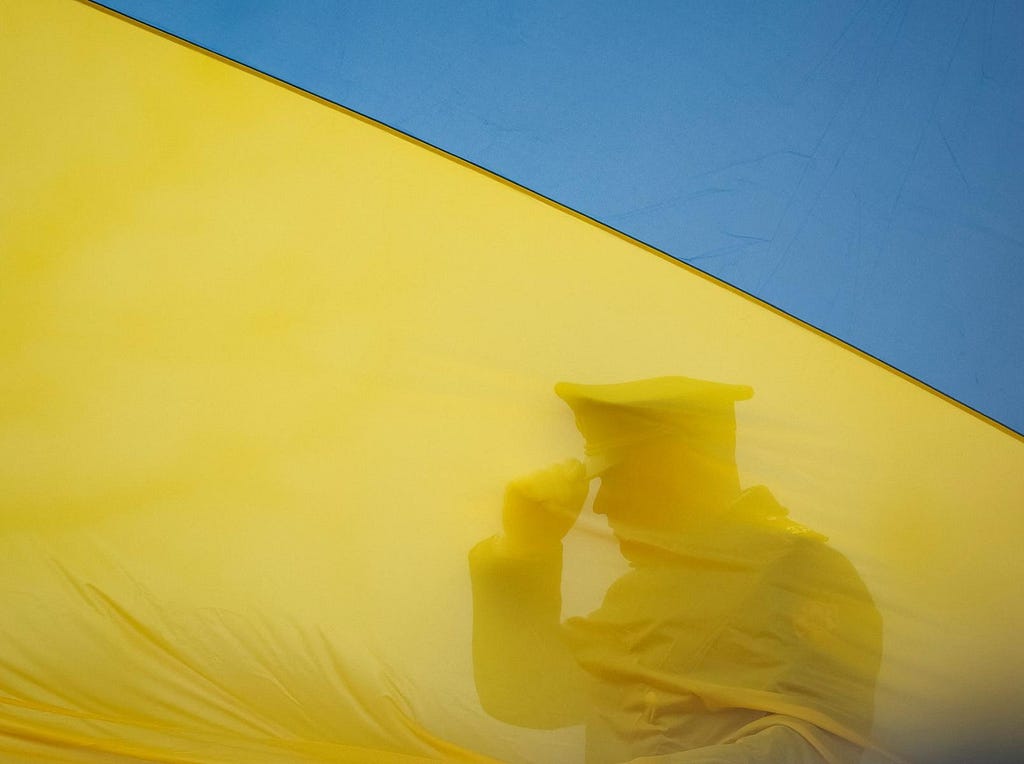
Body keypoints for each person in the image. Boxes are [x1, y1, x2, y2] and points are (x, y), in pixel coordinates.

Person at [469, 377, 885, 763]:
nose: (599, 505)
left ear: (674, 467)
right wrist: (525, 550)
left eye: (614, 477)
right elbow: (527, 697)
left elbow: (816, 744)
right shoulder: (644, 590)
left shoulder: (801, 569)